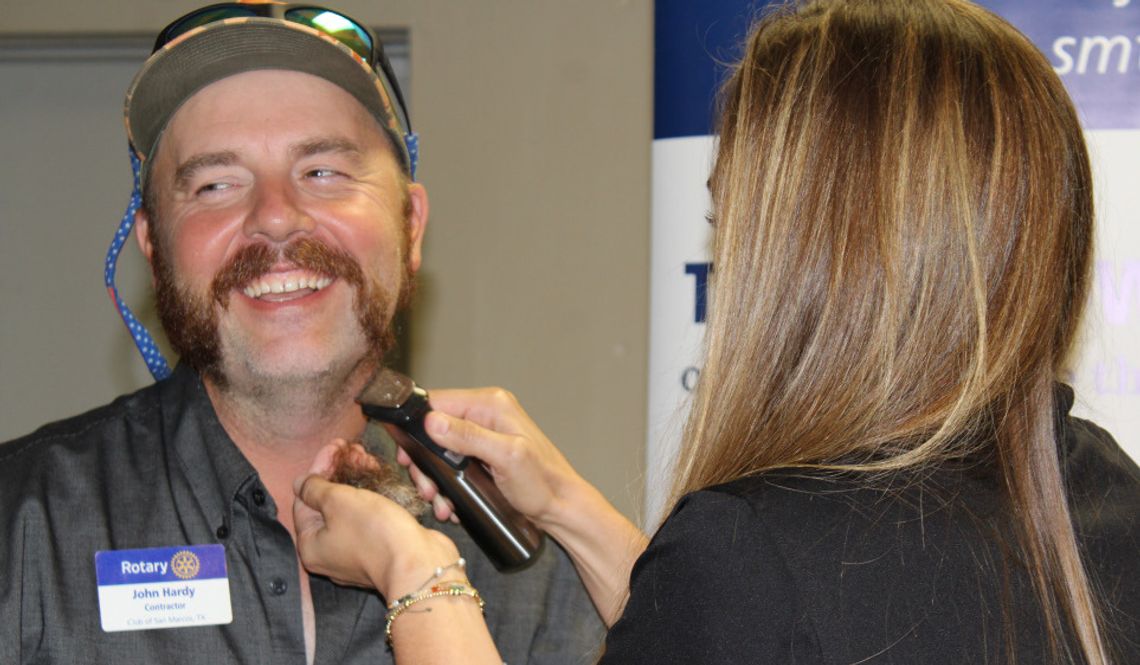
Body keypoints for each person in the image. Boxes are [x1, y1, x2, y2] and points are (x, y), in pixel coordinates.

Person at [291, 0, 1140, 663]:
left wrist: (417, 573)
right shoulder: (1101, 491)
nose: (725, 263)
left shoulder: (750, 550)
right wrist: (568, 505)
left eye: (729, 222)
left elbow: (750, 609)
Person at [0, 3, 603, 664]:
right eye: (216, 184)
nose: (277, 220)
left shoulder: (535, 563)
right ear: (153, 245)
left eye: (323, 172)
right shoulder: (25, 528)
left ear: (411, 228)